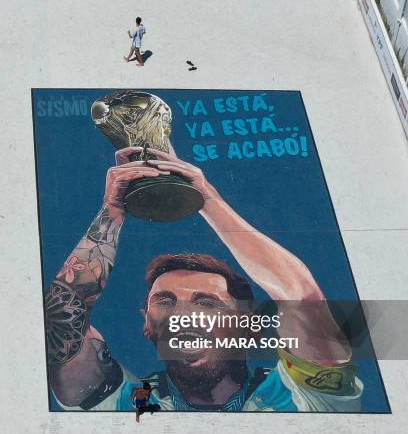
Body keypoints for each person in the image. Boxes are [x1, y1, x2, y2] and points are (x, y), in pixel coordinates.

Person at [45, 146, 363, 413]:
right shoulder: (125, 404)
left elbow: (301, 296)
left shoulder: (306, 395)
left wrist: (204, 197)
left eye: (207, 303)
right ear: (147, 324)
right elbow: (61, 322)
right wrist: (112, 211)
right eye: (165, 301)